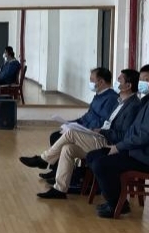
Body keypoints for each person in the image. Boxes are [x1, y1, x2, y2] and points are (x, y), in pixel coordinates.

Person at [23, 69, 142, 199]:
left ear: (128, 85)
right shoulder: (120, 102)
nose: (116, 82)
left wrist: (101, 131)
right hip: (100, 137)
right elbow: (102, 121)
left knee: (71, 133)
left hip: (110, 144)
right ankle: (60, 189)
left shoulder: (132, 106)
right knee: (68, 149)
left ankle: (43, 159)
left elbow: (123, 135)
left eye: (119, 80)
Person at [86, 64, 149, 218]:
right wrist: (119, 145)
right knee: (93, 156)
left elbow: (145, 135)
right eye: (140, 79)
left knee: (101, 163)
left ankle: (117, 204)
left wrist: (119, 147)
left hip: (148, 157)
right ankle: (116, 200)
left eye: (146, 80)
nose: (141, 83)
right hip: (138, 151)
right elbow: (134, 130)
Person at [29, 67, 121, 180]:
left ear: (101, 82)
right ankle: (56, 170)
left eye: (92, 80)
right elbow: (87, 116)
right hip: (86, 129)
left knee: (59, 137)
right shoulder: (98, 95)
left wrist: (81, 127)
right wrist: (70, 123)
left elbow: (103, 122)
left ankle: (45, 162)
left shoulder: (111, 98)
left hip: (96, 135)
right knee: (56, 135)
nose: (90, 83)